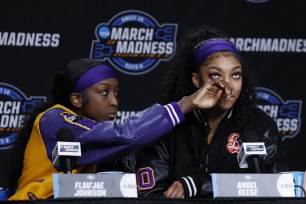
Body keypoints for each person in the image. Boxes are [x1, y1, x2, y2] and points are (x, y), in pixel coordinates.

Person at [8, 58, 230, 200]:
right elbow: (125, 136)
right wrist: (185, 105)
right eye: (104, 92)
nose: (114, 101)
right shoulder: (54, 119)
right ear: (76, 99)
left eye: (116, 93)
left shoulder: (94, 130)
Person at [135, 25, 289, 199]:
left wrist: (201, 186)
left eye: (235, 75)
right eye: (216, 75)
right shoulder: (168, 126)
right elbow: (149, 194)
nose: (227, 86)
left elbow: (278, 188)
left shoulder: (260, 125)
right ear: (196, 80)